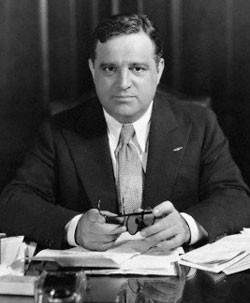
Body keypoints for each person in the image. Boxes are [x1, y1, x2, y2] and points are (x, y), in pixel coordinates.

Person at [0, 13, 250, 251]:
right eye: (110, 69)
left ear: (159, 69)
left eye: (137, 68)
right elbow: (14, 202)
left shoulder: (199, 123)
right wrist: (74, 229)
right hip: (93, 286)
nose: (123, 83)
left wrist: (187, 225)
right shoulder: (58, 131)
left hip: (179, 284)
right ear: (92, 69)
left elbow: (235, 196)